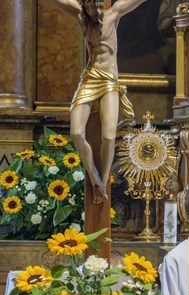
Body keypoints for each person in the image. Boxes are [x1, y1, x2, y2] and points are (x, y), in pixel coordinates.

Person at [48, 0, 145, 203]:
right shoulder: (82, 18)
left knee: (109, 137)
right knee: (75, 132)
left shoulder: (113, 15)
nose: (93, 10)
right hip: (89, 78)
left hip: (109, 81)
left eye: (96, 5)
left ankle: (103, 180)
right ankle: (94, 179)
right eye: (89, 5)